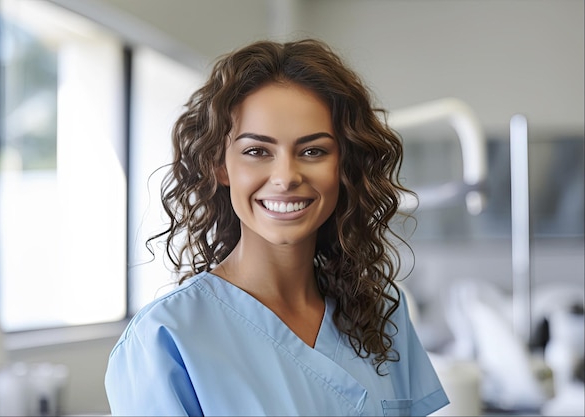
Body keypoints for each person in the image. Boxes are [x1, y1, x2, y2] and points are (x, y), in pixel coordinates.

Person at [105, 38, 449, 416]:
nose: (285, 177)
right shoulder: (165, 339)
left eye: (313, 151)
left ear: (343, 166)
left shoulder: (383, 315)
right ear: (221, 165)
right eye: (257, 151)